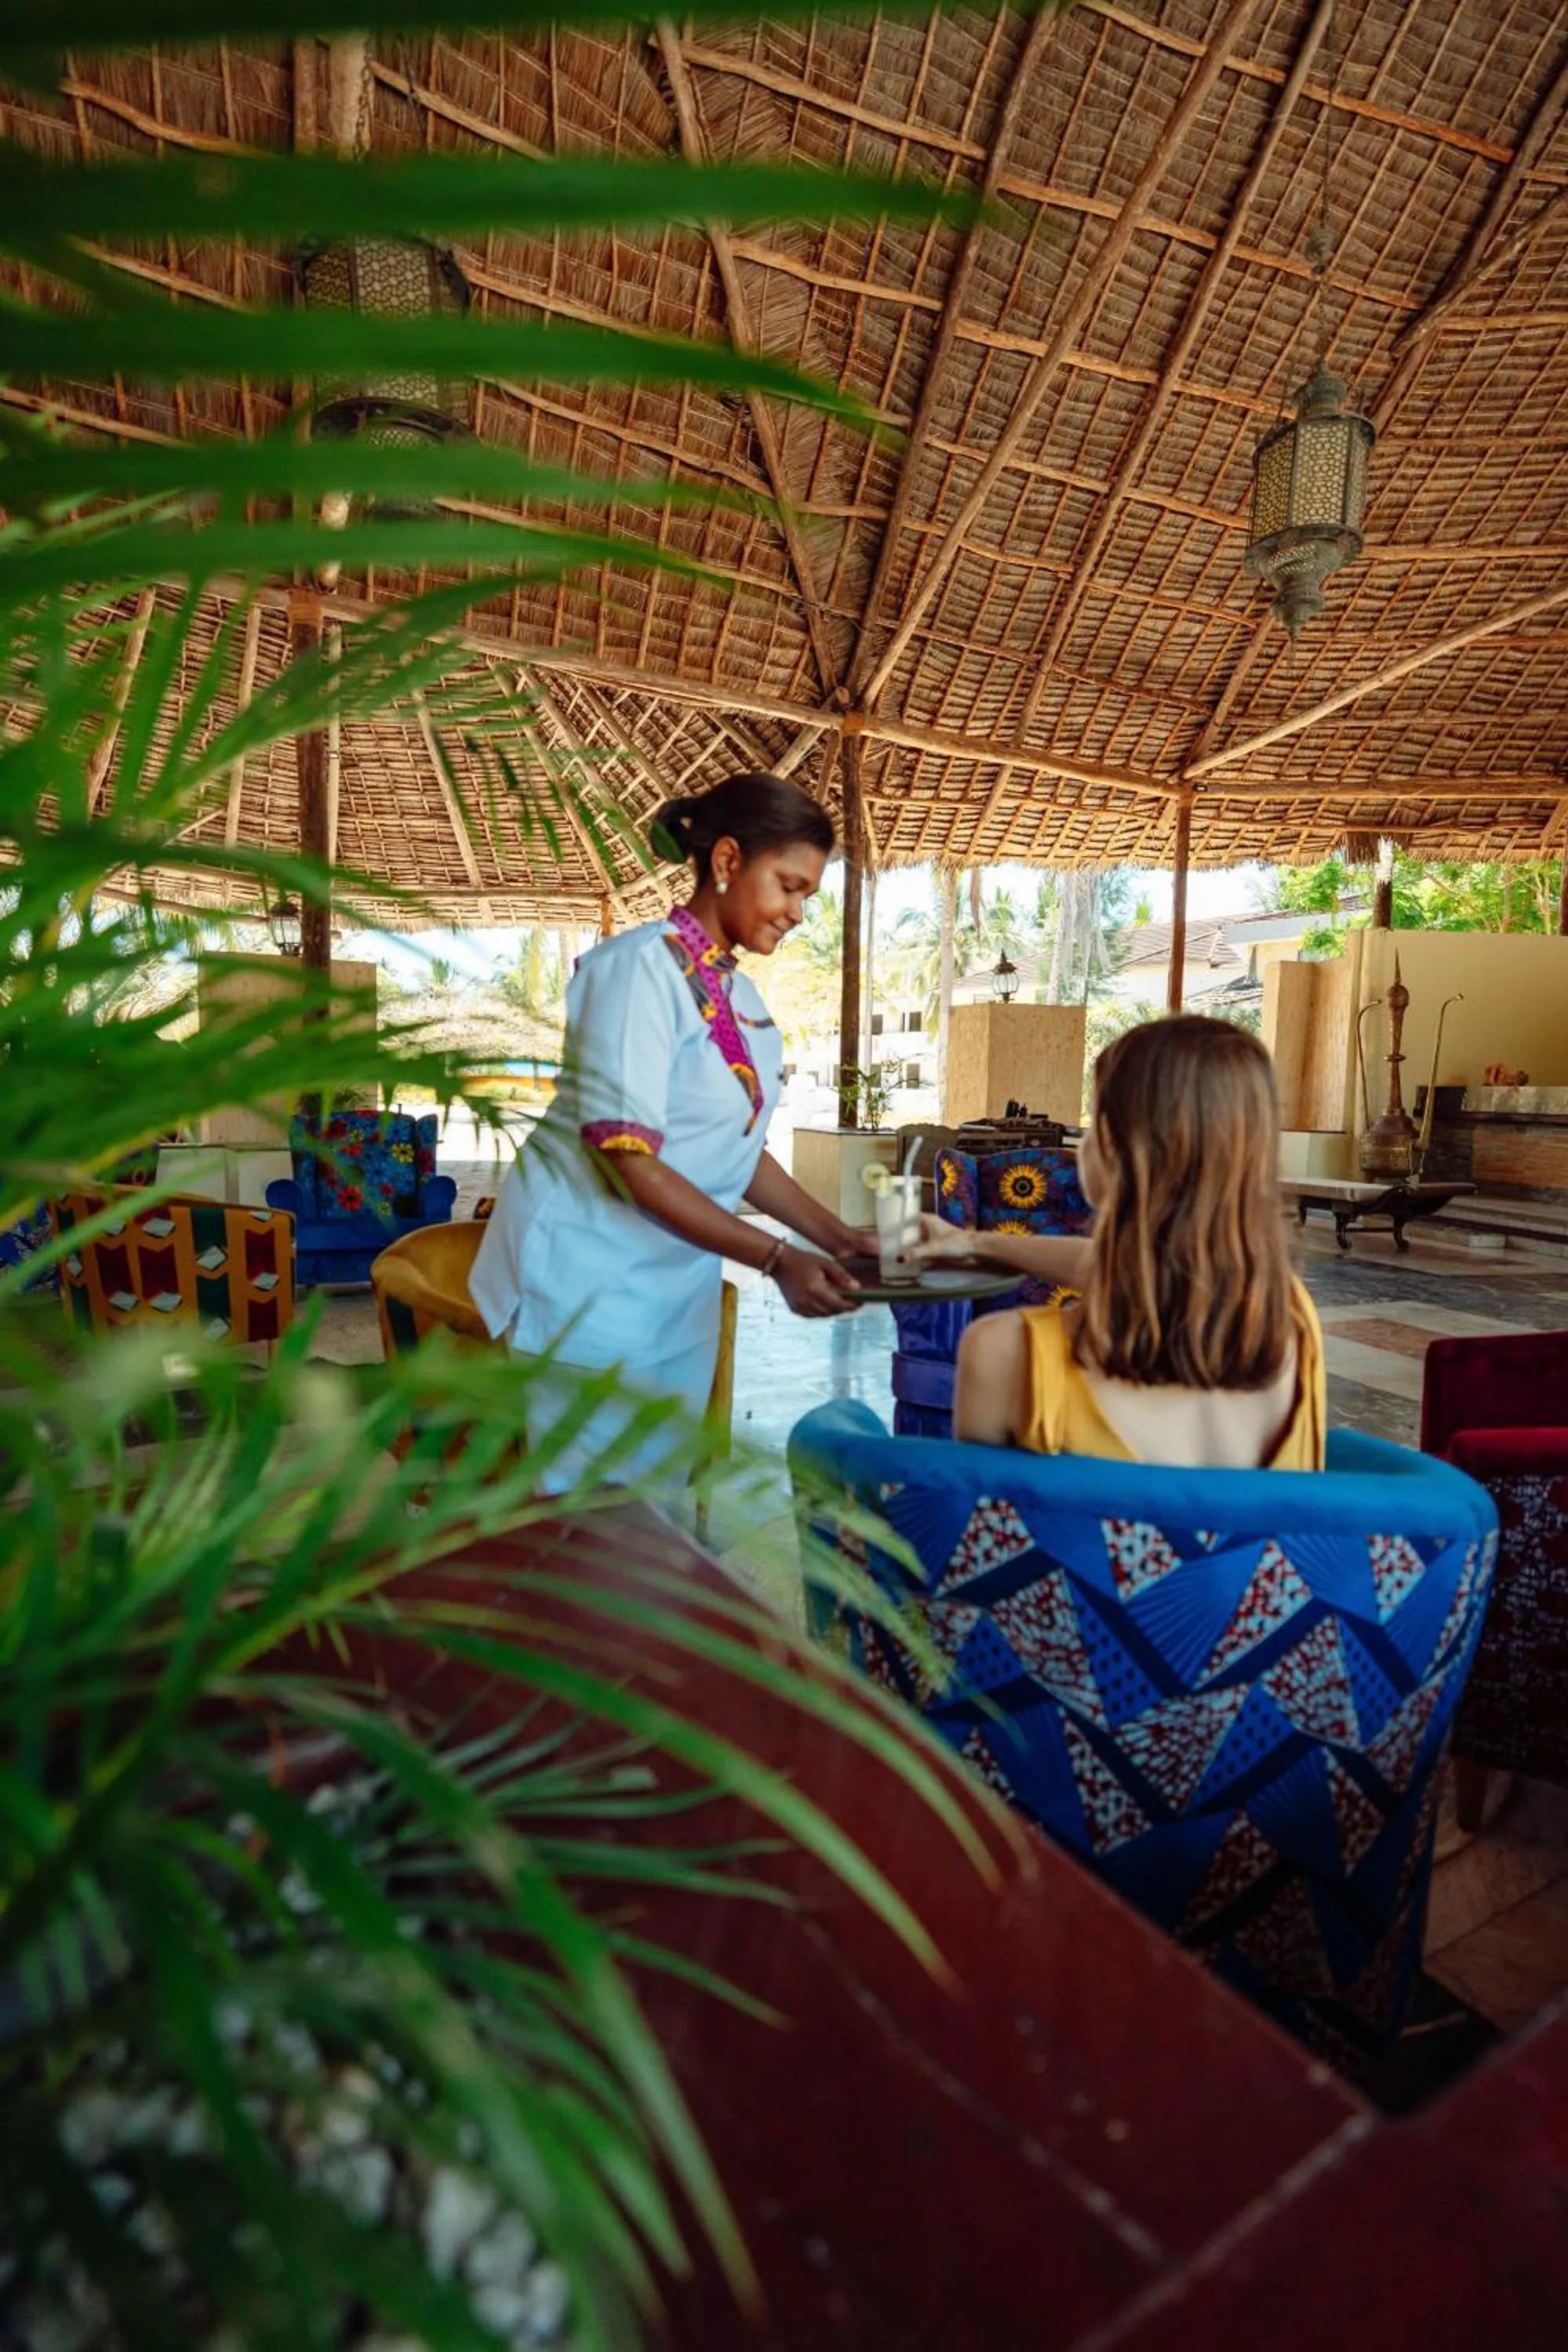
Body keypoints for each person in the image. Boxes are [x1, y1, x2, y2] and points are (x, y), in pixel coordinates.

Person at [470, 771, 867, 1486]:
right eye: (788, 885)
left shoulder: (741, 998)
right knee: (592, 1529)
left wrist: (839, 1239)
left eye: (808, 894)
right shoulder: (635, 973)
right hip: (585, 1291)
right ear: (726, 863)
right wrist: (776, 1261)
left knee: (652, 1521)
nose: (799, 912)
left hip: (668, 1296)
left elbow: (739, 1156)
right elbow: (630, 1162)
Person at [914, 1016, 1325, 1470]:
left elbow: (976, 1531)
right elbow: (1145, 1270)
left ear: (1108, 1147)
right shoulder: (1292, 1321)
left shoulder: (1005, 1355)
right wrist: (972, 1242)